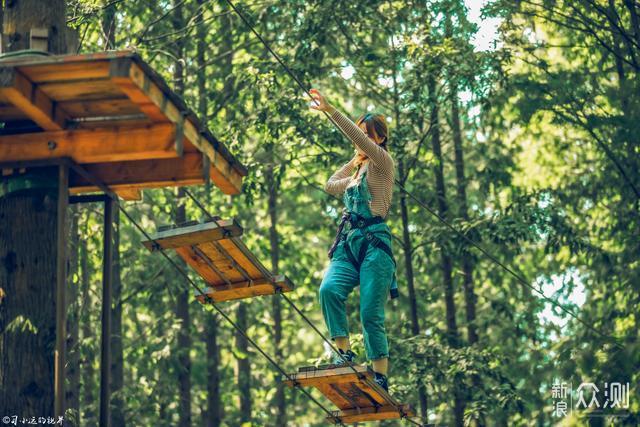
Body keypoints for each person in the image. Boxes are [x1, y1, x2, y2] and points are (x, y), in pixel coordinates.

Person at [309, 88, 397, 392]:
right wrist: (353, 160)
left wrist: (331, 110)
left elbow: (360, 141)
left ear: (380, 140)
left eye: (366, 136)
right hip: (350, 242)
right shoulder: (357, 175)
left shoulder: (383, 164)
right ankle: (344, 351)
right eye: (360, 136)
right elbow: (331, 184)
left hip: (376, 244)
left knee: (370, 312)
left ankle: (380, 374)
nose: (360, 141)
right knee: (329, 290)